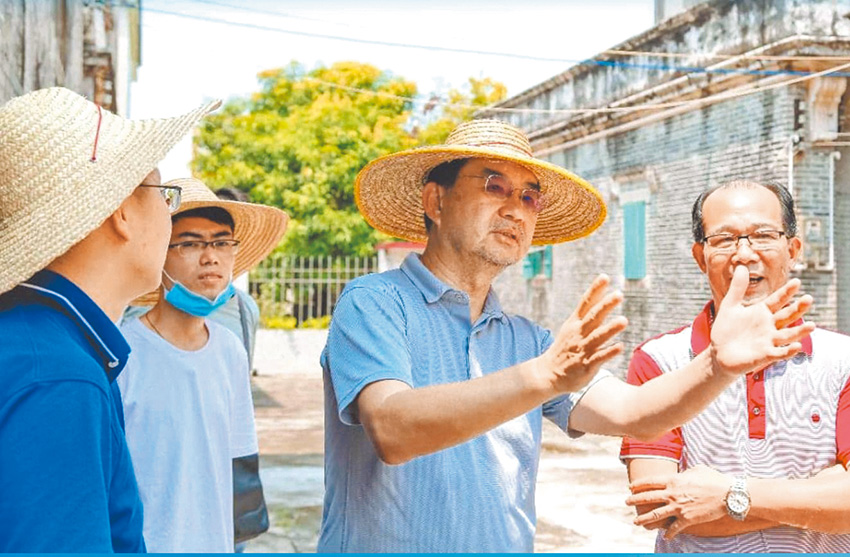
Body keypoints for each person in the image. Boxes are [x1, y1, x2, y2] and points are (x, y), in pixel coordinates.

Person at [318, 119, 815, 552]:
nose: (516, 209)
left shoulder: (526, 340)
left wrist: (716, 365)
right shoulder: (376, 302)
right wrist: (543, 377)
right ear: (436, 199)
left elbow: (634, 414)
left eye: (529, 196)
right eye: (495, 186)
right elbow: (392, 430)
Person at [0, 87, 217, 552]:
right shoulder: (57, 376)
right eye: (166, 196)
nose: (168, 214)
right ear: (121, 211)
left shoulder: (40, 341)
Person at [622, 179, 850, 552]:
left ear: (792, 249)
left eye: (763, 235)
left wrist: (730, 495)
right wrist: (821, 495)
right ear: (700, 257)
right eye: (725, 240)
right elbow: (658, 508)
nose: (744, 254)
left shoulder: (843, 360)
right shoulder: (659, 361)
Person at [116, 178, 288, 553]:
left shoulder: (230, 351)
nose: (211, 257)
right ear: (158, 251)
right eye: (191, 243)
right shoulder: (121, 352)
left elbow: (238, 462)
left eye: (222, 242)